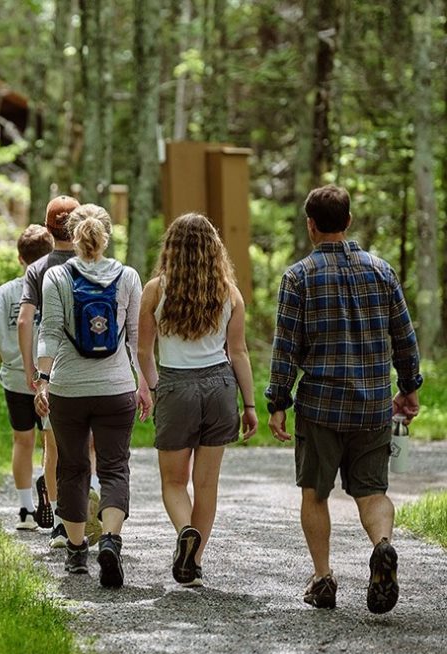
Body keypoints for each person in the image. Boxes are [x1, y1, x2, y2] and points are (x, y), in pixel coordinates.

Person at [266, 185, 422, 614]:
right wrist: (409, 387)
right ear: (348, 221)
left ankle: (323, 577)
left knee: (315, 493)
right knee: (372, 491)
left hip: (319, 408)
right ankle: (383, 546)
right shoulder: (382, 271)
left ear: (311, 225)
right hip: (373, 405)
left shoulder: (298, 277)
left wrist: (277, 400)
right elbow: (404, 338)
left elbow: (286, 349)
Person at [137, 213, 258, 588]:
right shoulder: (229, 292)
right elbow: (238, 353)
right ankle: (194, 561)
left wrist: (157, 388)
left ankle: (185, 531)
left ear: (171, 248)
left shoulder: (155, 290)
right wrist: (250, 405)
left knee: (174, 481)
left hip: (176, 385)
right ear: (213, 249)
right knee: (206, 485)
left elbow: (143, 350)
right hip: (221, 386)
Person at [34, 203, 151, 586]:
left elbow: (49, 332)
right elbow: (135, 338)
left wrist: (42, 380)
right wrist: (144, 383)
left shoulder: (56, 277)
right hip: (117, 387)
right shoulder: (128, 276)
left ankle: (76, 551)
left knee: (72, 467)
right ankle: (112, 542)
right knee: (115, 467)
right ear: (106, 234)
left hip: (68, 388)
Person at [18, 195, 103, 549]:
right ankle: (93, 498)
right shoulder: (98, 260)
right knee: (93, 444)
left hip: (55, 368)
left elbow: (25, 320)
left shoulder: (39, 269)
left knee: (54, 447)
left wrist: (31, 371)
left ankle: (59, 521)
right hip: (99, 367)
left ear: (48, 225)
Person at [0, 225, 56, 530]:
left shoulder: (7, 290)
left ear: (20, 258)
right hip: (49, 378)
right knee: (52, 443)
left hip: (14, 377)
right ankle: (58, 510)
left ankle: (25, 512)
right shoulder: (53, 287)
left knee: (22, 441)